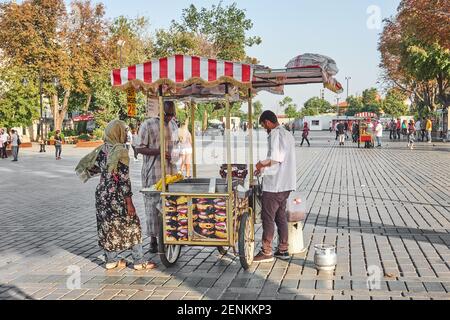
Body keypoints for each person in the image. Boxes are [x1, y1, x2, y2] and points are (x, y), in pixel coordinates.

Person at [75, 120, 155, 271]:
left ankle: (111, 261)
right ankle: (138, 261)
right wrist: (129, 202)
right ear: (117, 132)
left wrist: (107, 174)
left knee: (107, 226)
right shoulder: (120, 151)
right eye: (124, 130)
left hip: (102, 194)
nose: (126, 133)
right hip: (117, 195)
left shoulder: (102, 149)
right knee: (133, 224)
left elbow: (93, 168)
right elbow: (124, 180)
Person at [253, 110, 296, 262]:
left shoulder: (276, 134)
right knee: (280, 217)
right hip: (286, 184)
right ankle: (283, 249)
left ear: (268, 121)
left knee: (268, 217)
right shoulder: (287, 134)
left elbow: (276, 159)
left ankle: (266, 251)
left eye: (265, 125)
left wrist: (260, 165)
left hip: (275, 185)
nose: (265, 129)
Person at [137, 101, 179, 253]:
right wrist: (159, 153)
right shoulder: (147, 125)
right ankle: (153, 240)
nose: (169, 117)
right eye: (166, 114)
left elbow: (176, 146)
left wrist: (175, 155)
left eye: (171, 114)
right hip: (153, 172)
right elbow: (139, 148)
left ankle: (171, 235)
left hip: (171, 172)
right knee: (152, 208)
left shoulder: (174, 125)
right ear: (160, 112)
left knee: (171, 205)